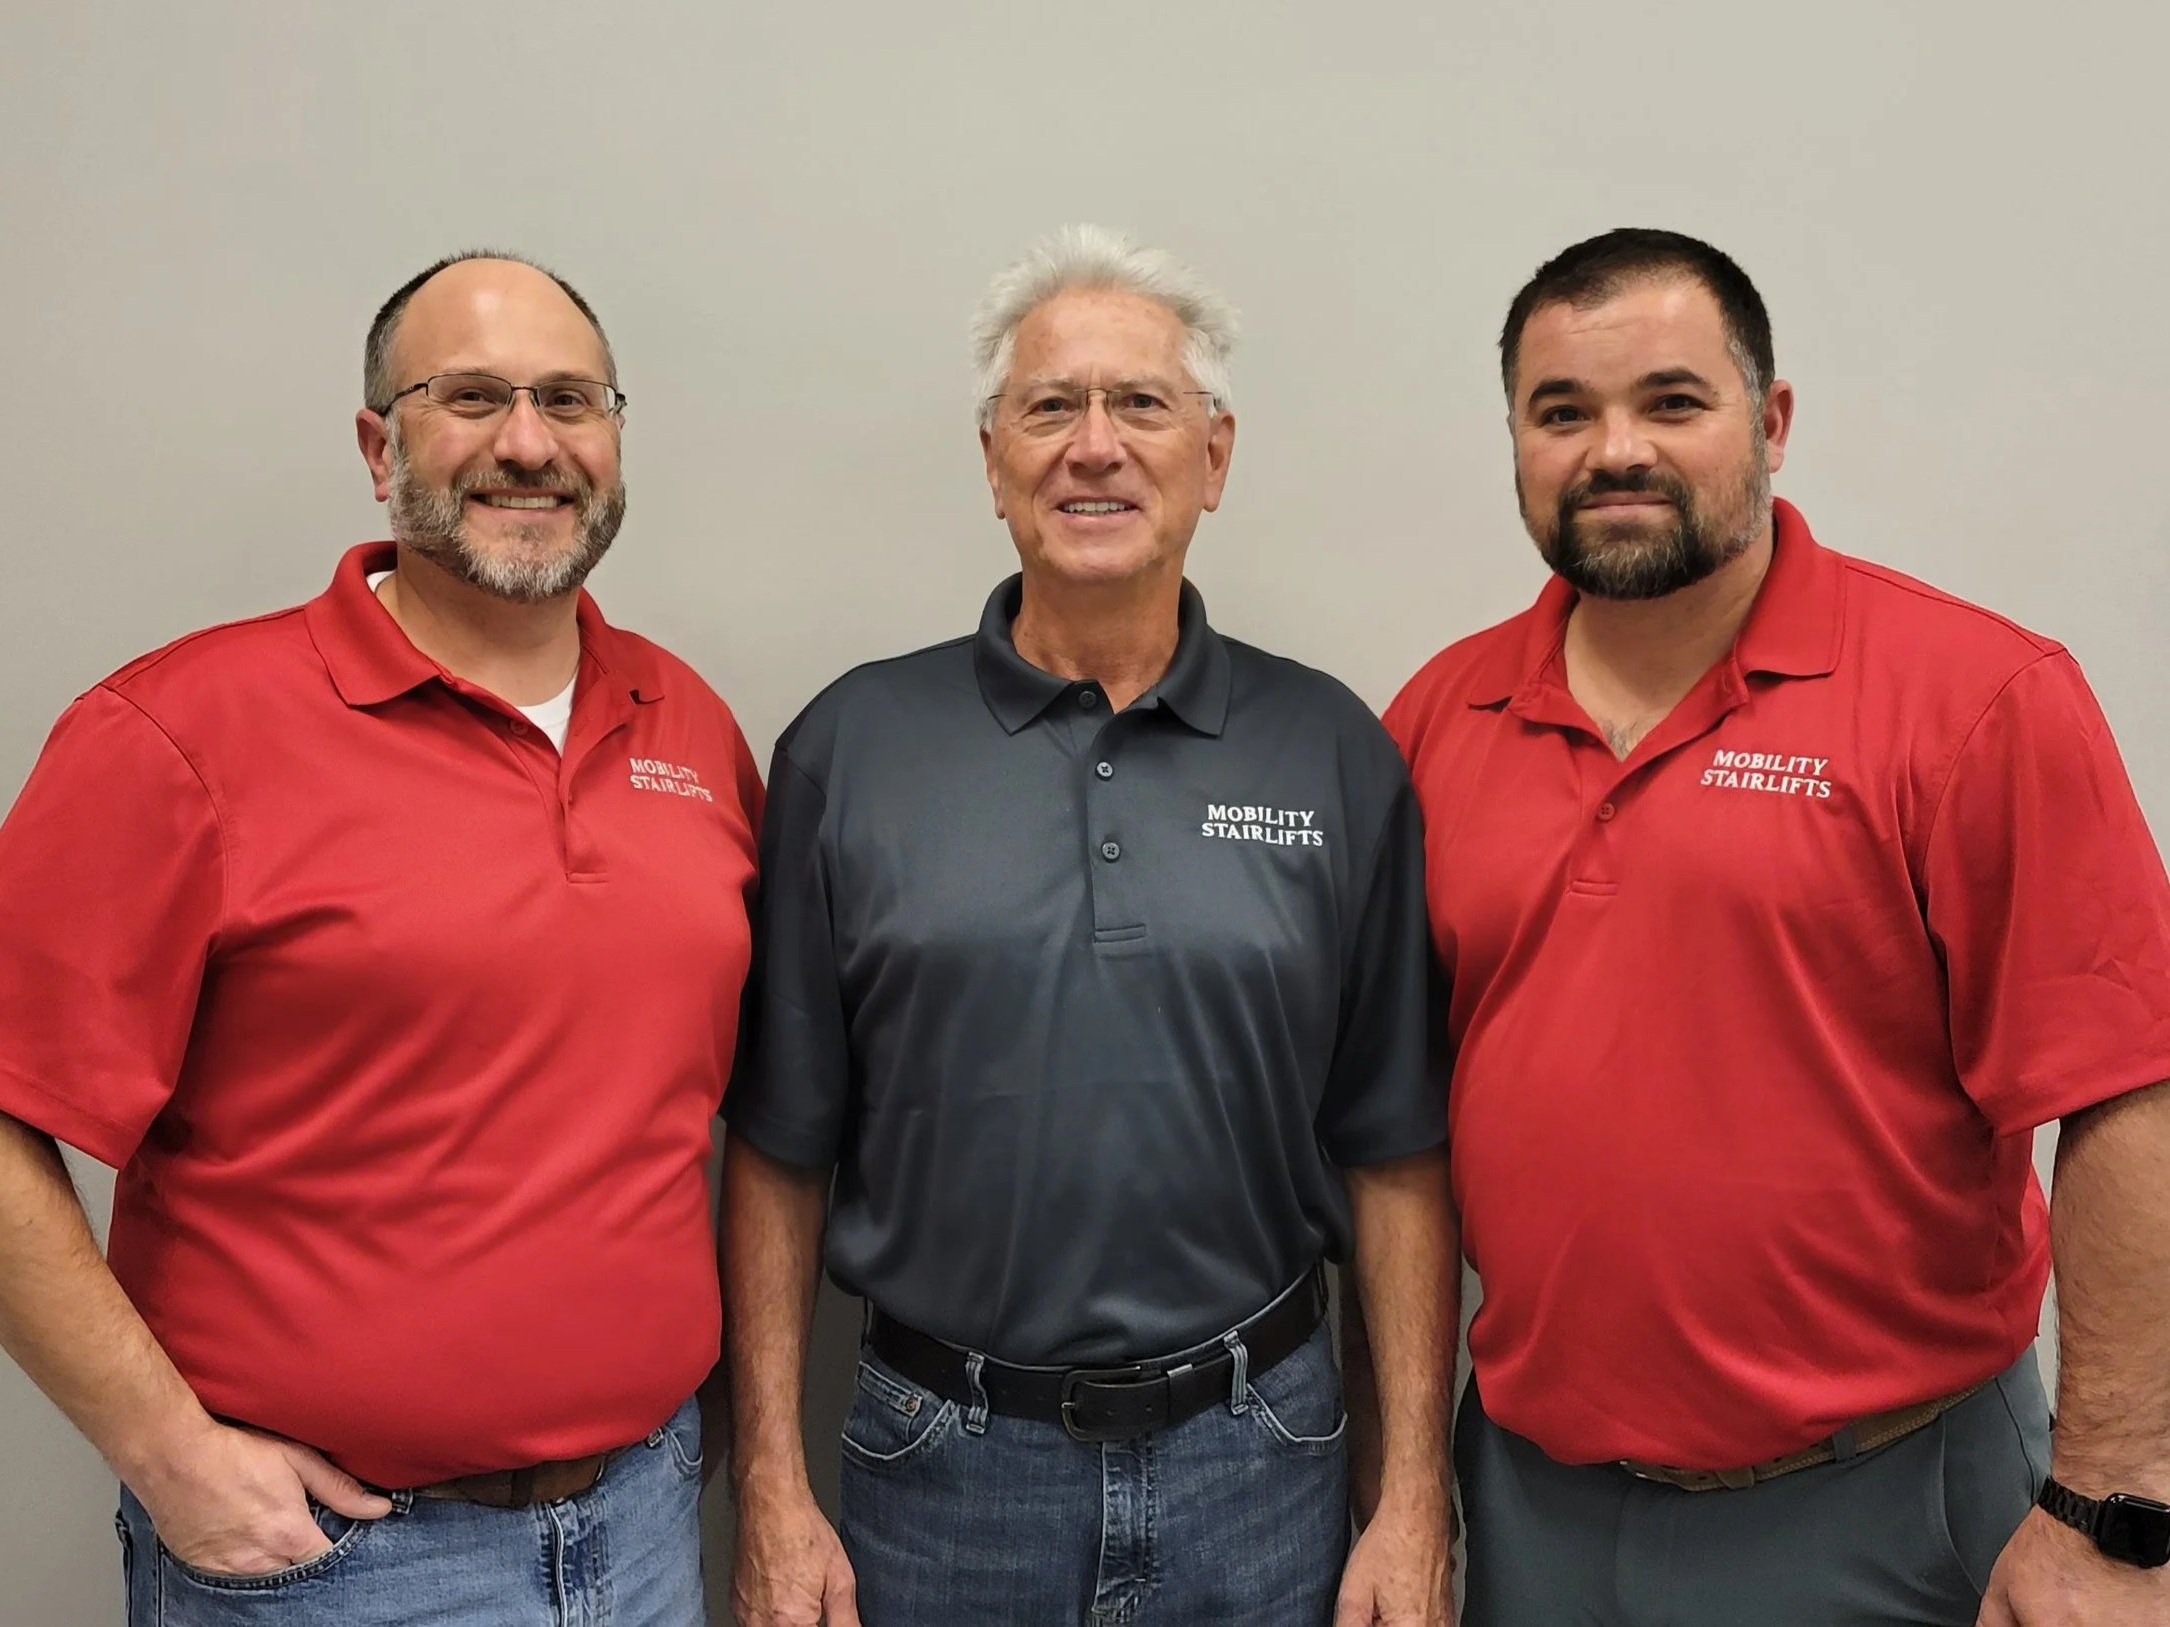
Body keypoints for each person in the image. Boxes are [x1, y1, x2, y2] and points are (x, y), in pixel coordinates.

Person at [1385, 226, 2170, 1626]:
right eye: (1560, 412)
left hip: (1886, 1510)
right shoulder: (1437, 720)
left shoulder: (1972, 699)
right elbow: (1398, 1137)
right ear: (1512, 438)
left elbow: (2126, 1095)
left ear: (1771, 421)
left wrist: (2111, 1506)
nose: (1613, 449)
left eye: (1670, 402)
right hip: (1528, 1508)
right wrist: (1408, 1495)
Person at [0, 252, 762, 1626]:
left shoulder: (689, 727)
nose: (528, 444)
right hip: (335, 1570)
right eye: (470, 396)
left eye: (570, 401)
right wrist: (164, 1457)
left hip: (645, 1527)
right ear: (377, 443)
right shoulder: (179, 737)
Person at [723, 224, 1455, 1627]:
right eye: (1050, 407)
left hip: (1265, 1455)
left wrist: (1407, 1491)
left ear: (1214, 458)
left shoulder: (1331, 751)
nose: (1094, 446)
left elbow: (1394, 1151)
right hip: (940, 1466)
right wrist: (769, 1480)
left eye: (1140, 405)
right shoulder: (852, 746)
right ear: (992, 459)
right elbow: (775, 1151)